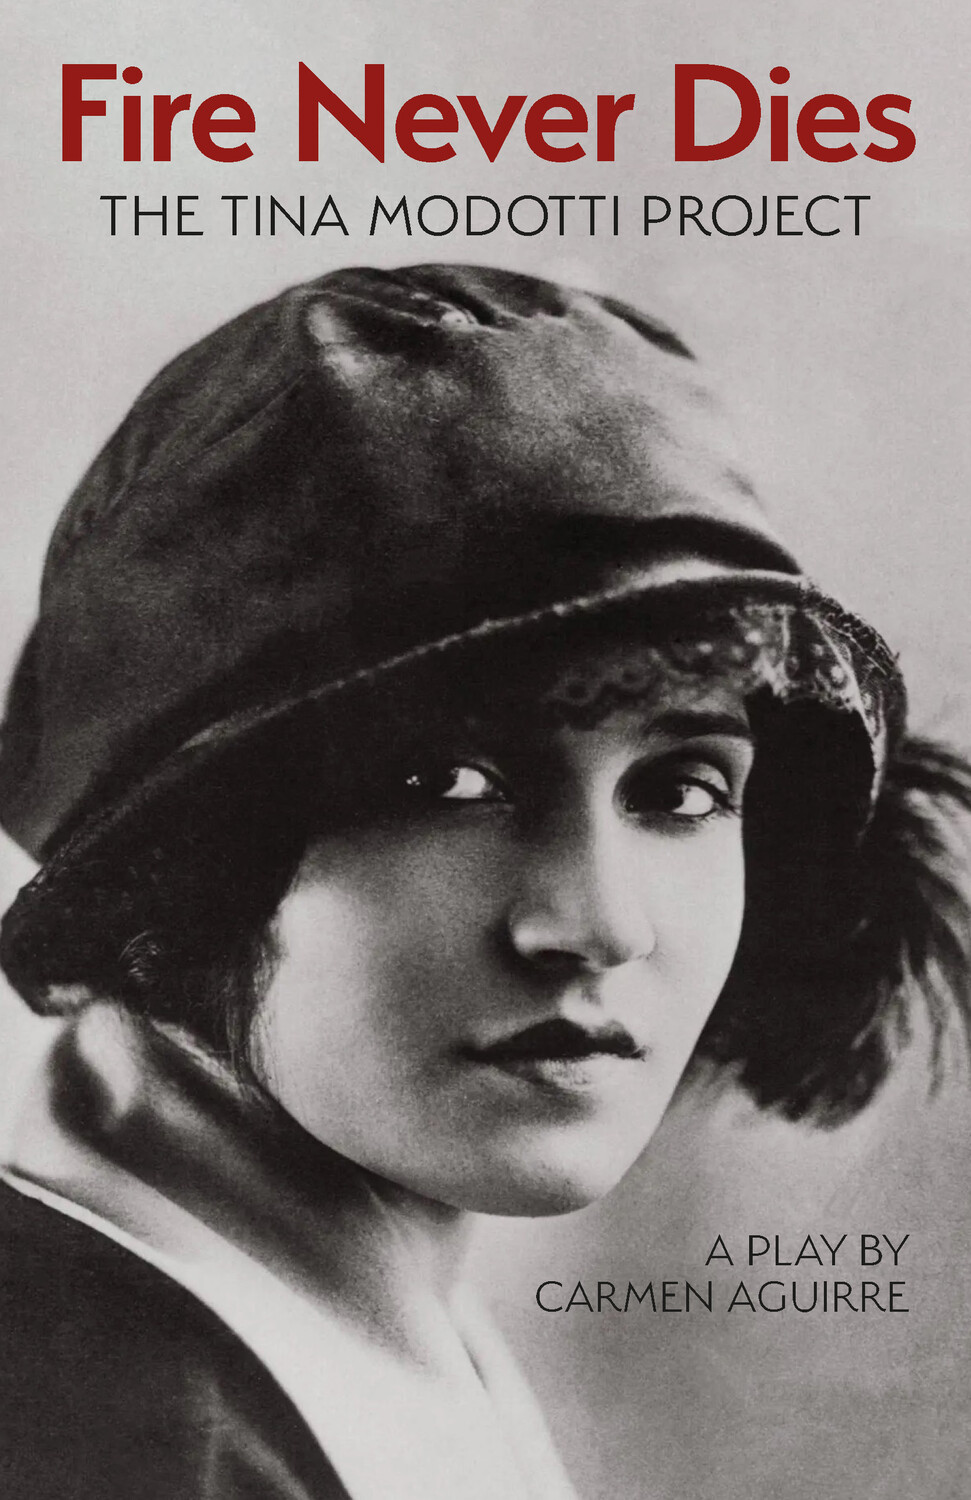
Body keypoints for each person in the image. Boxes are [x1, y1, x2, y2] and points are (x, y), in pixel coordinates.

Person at [0, 264, 968, 1500]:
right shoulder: (121, 1441)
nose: (598, 923)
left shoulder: (319, 1313)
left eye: (679, 790)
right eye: (448, 783)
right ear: (178, 857)